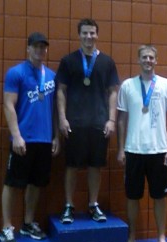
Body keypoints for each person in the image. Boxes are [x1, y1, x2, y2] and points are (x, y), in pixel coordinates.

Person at [117, 45, 167, 242]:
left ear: (156, 60)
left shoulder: (166, 85)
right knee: (132, 196)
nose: (148, 60)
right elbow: (122, 119)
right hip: (133, 150)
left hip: (159, 151)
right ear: (138, 60)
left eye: (151, 57)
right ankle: (132, 237)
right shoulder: (127, 86)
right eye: (144, 57)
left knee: (159, 197)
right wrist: (121, 149)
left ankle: (161, 238)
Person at [0, 32, 60, 242]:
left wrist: (55, 136)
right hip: (22, 139)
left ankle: (27, 223)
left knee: (36, 184)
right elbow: (8, 105)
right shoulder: (16, 73)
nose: (39, 50)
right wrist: (16, 135)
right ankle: (7, 227)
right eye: (35, 47)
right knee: (13, 183)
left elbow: (54, 109)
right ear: (28, 49)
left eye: (43, 47)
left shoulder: (52, 77)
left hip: (44, 140)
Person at [56, 18, 119, 224]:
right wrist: (63, 118)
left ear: (97, 35)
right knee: (72, 166)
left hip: (99, 123)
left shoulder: (107, 62)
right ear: (79, 35)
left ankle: (93, 205)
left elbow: (112, 93)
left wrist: (111, 120)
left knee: (95, 166)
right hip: (74, 123)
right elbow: (61, 91)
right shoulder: (68, 61)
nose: (89, 37)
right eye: (85, 33)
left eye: (92, 33)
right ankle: (68, 206)